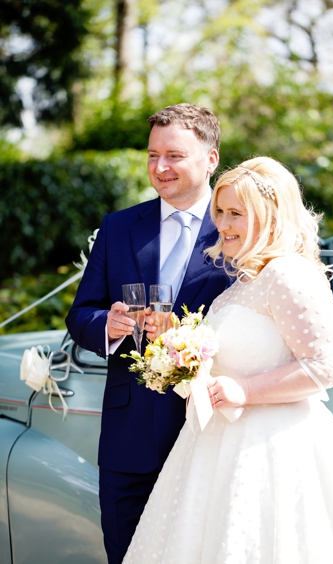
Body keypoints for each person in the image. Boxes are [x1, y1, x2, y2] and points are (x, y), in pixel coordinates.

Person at [121, 156, 333, 563]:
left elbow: (328, 365)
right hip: (213, 449)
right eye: (220, 211)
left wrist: (244, 390)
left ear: (270, 217)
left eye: (235, 213)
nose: (222, 224)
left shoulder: (289, 274)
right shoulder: (242, 282)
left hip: (275, 451)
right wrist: (179, 354)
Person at [66, 103, 232, 564]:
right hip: (129, 437)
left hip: (209, 435)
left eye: (174, 155)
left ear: (211, 158)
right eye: (152, 154)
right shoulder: (119, 227)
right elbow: (80, 314)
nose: (160, 167)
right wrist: (109, 326)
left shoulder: (239, 228)